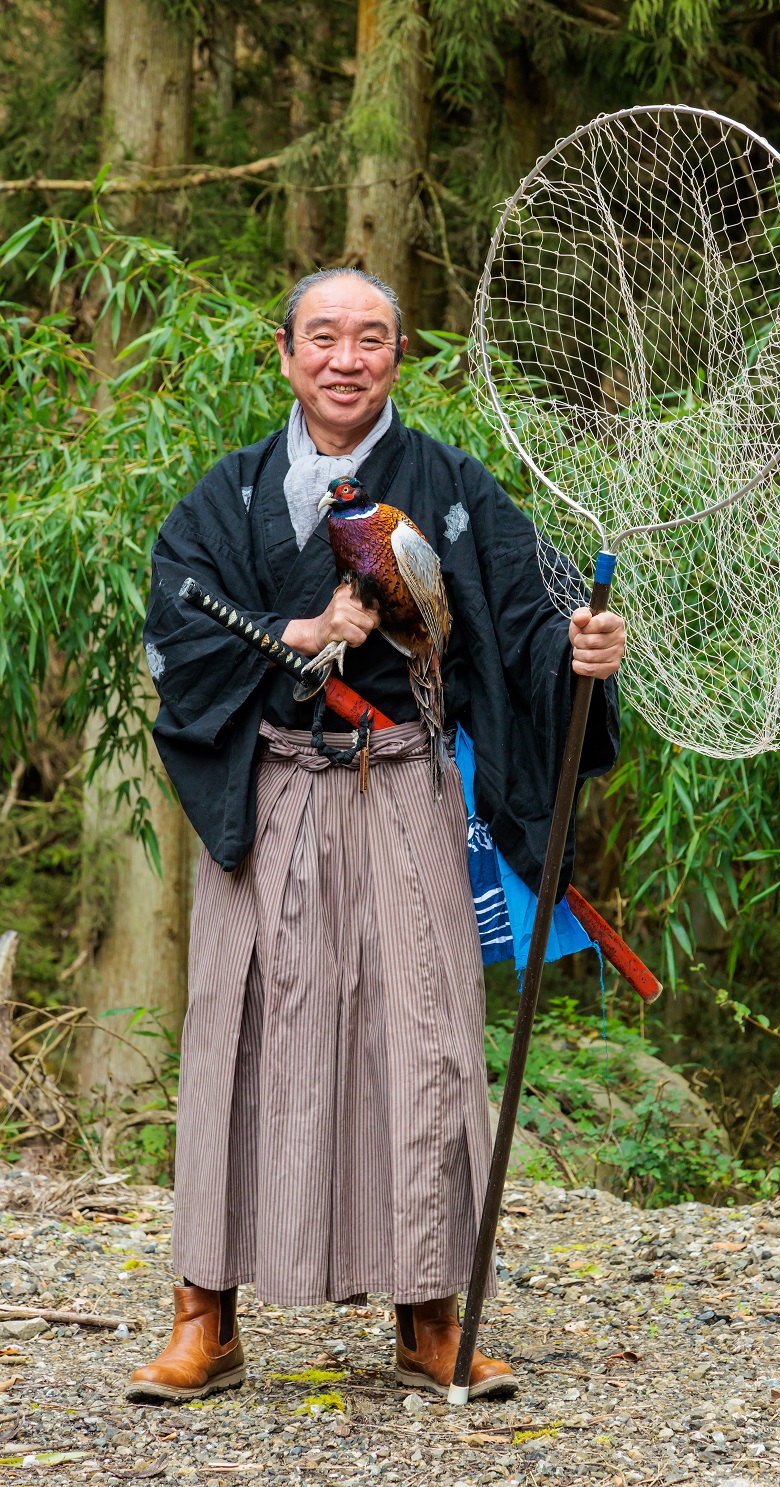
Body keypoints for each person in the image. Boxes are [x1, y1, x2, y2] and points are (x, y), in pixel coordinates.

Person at [133, 267, 625, 1403]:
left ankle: (428, 1312)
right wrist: (294, 627)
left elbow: (530, 626)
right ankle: (205, 1310)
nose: (345, 358)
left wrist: (581, 656)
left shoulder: (452, 488)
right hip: (274, 791)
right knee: (234, 1027)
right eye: (323, 337)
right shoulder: (229, 494)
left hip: (403, 780)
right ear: (285, 351)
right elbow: (174, 636)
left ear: (400, 354)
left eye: (370, 339)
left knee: (429, 1032)